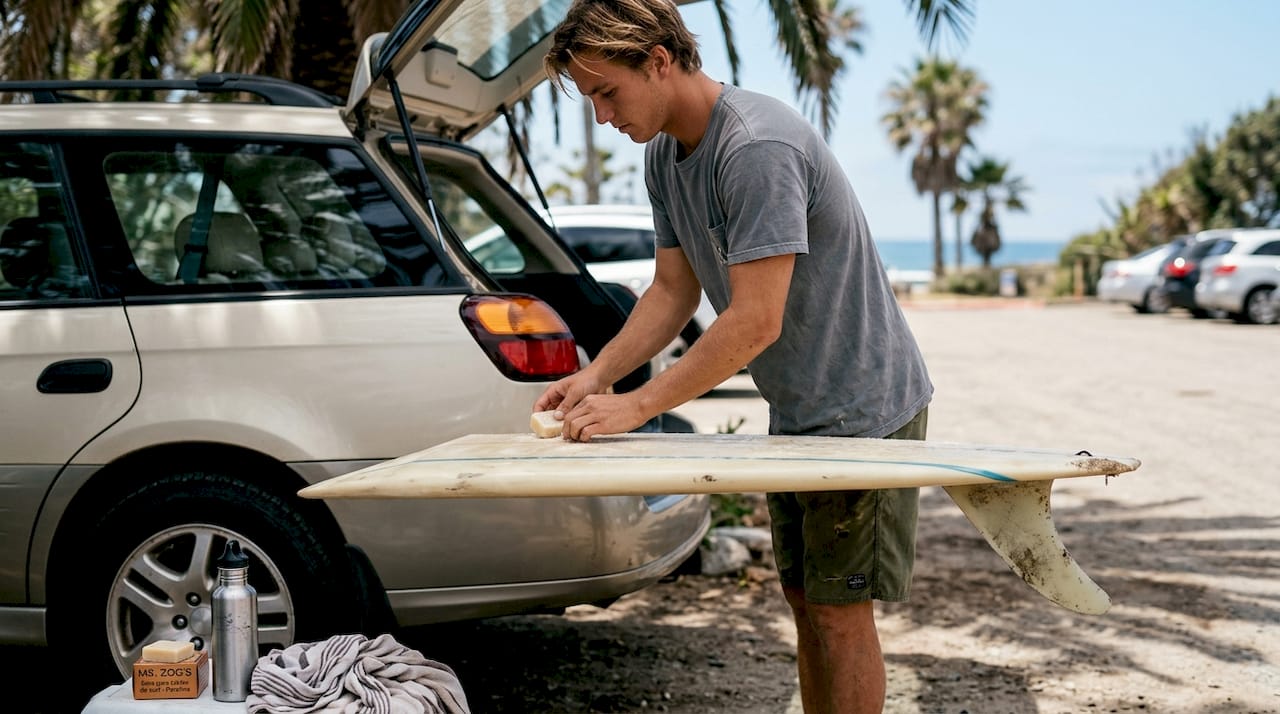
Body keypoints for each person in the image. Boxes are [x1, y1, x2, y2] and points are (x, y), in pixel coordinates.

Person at [536, 1, 933, 711]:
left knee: (840, 614)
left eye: (607, 93)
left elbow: (754, 321)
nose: (601, 117)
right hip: (800, 410)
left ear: (659, 61)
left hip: (865, 409)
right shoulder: (663, 155)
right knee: (804, 601)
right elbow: (671, 291)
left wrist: (635, 406)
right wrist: (595, 376)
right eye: (591, 99)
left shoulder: (755, 146)